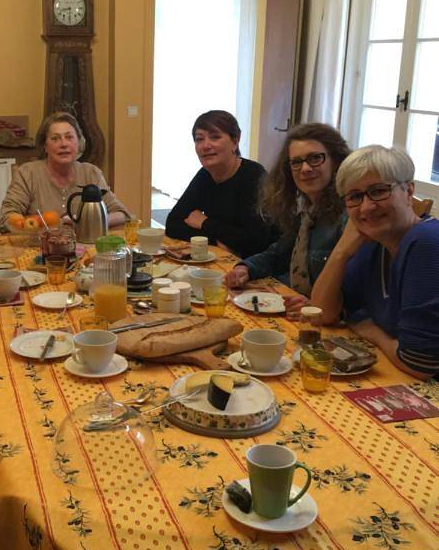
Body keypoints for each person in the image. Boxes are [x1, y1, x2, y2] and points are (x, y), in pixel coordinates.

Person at [311, 145, 439, 378]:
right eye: (355, 197)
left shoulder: (427, 243)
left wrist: (371, 331)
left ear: (409, 191)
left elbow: (419, 363)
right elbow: (322, 314)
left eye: (379, 191)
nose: (367, 207)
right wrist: (341, 251)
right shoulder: (374, 243)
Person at [226, 123, 350, 315]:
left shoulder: (350, 216)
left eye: (316, 158)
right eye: (296, 162)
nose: (305, 168)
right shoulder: (306, 209)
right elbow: (278, 253)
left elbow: (357, 292)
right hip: (293, 304)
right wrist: (246, 268)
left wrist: (316, 306)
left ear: (335, 161)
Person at [164, 110, 274, 258]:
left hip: (262, 266)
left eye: (215, 137)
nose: (205, 146)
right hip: (227, 258)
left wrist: (205, 223)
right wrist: (216, 241)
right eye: (199, 139)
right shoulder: (205, 175)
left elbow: (255, 241)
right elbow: (173, 224)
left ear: (235, 141)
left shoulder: (254, 176)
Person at [0, 111, 130, 232]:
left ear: (78, 143)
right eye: (55, 138)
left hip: (84, 248)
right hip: (37, 249)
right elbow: (6, 217)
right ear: (45, 146)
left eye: (69, 137)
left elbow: (122, 214)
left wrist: (87, 222)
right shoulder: (27, 173)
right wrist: (39, 224)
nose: (63, 144)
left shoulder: (91, 173)